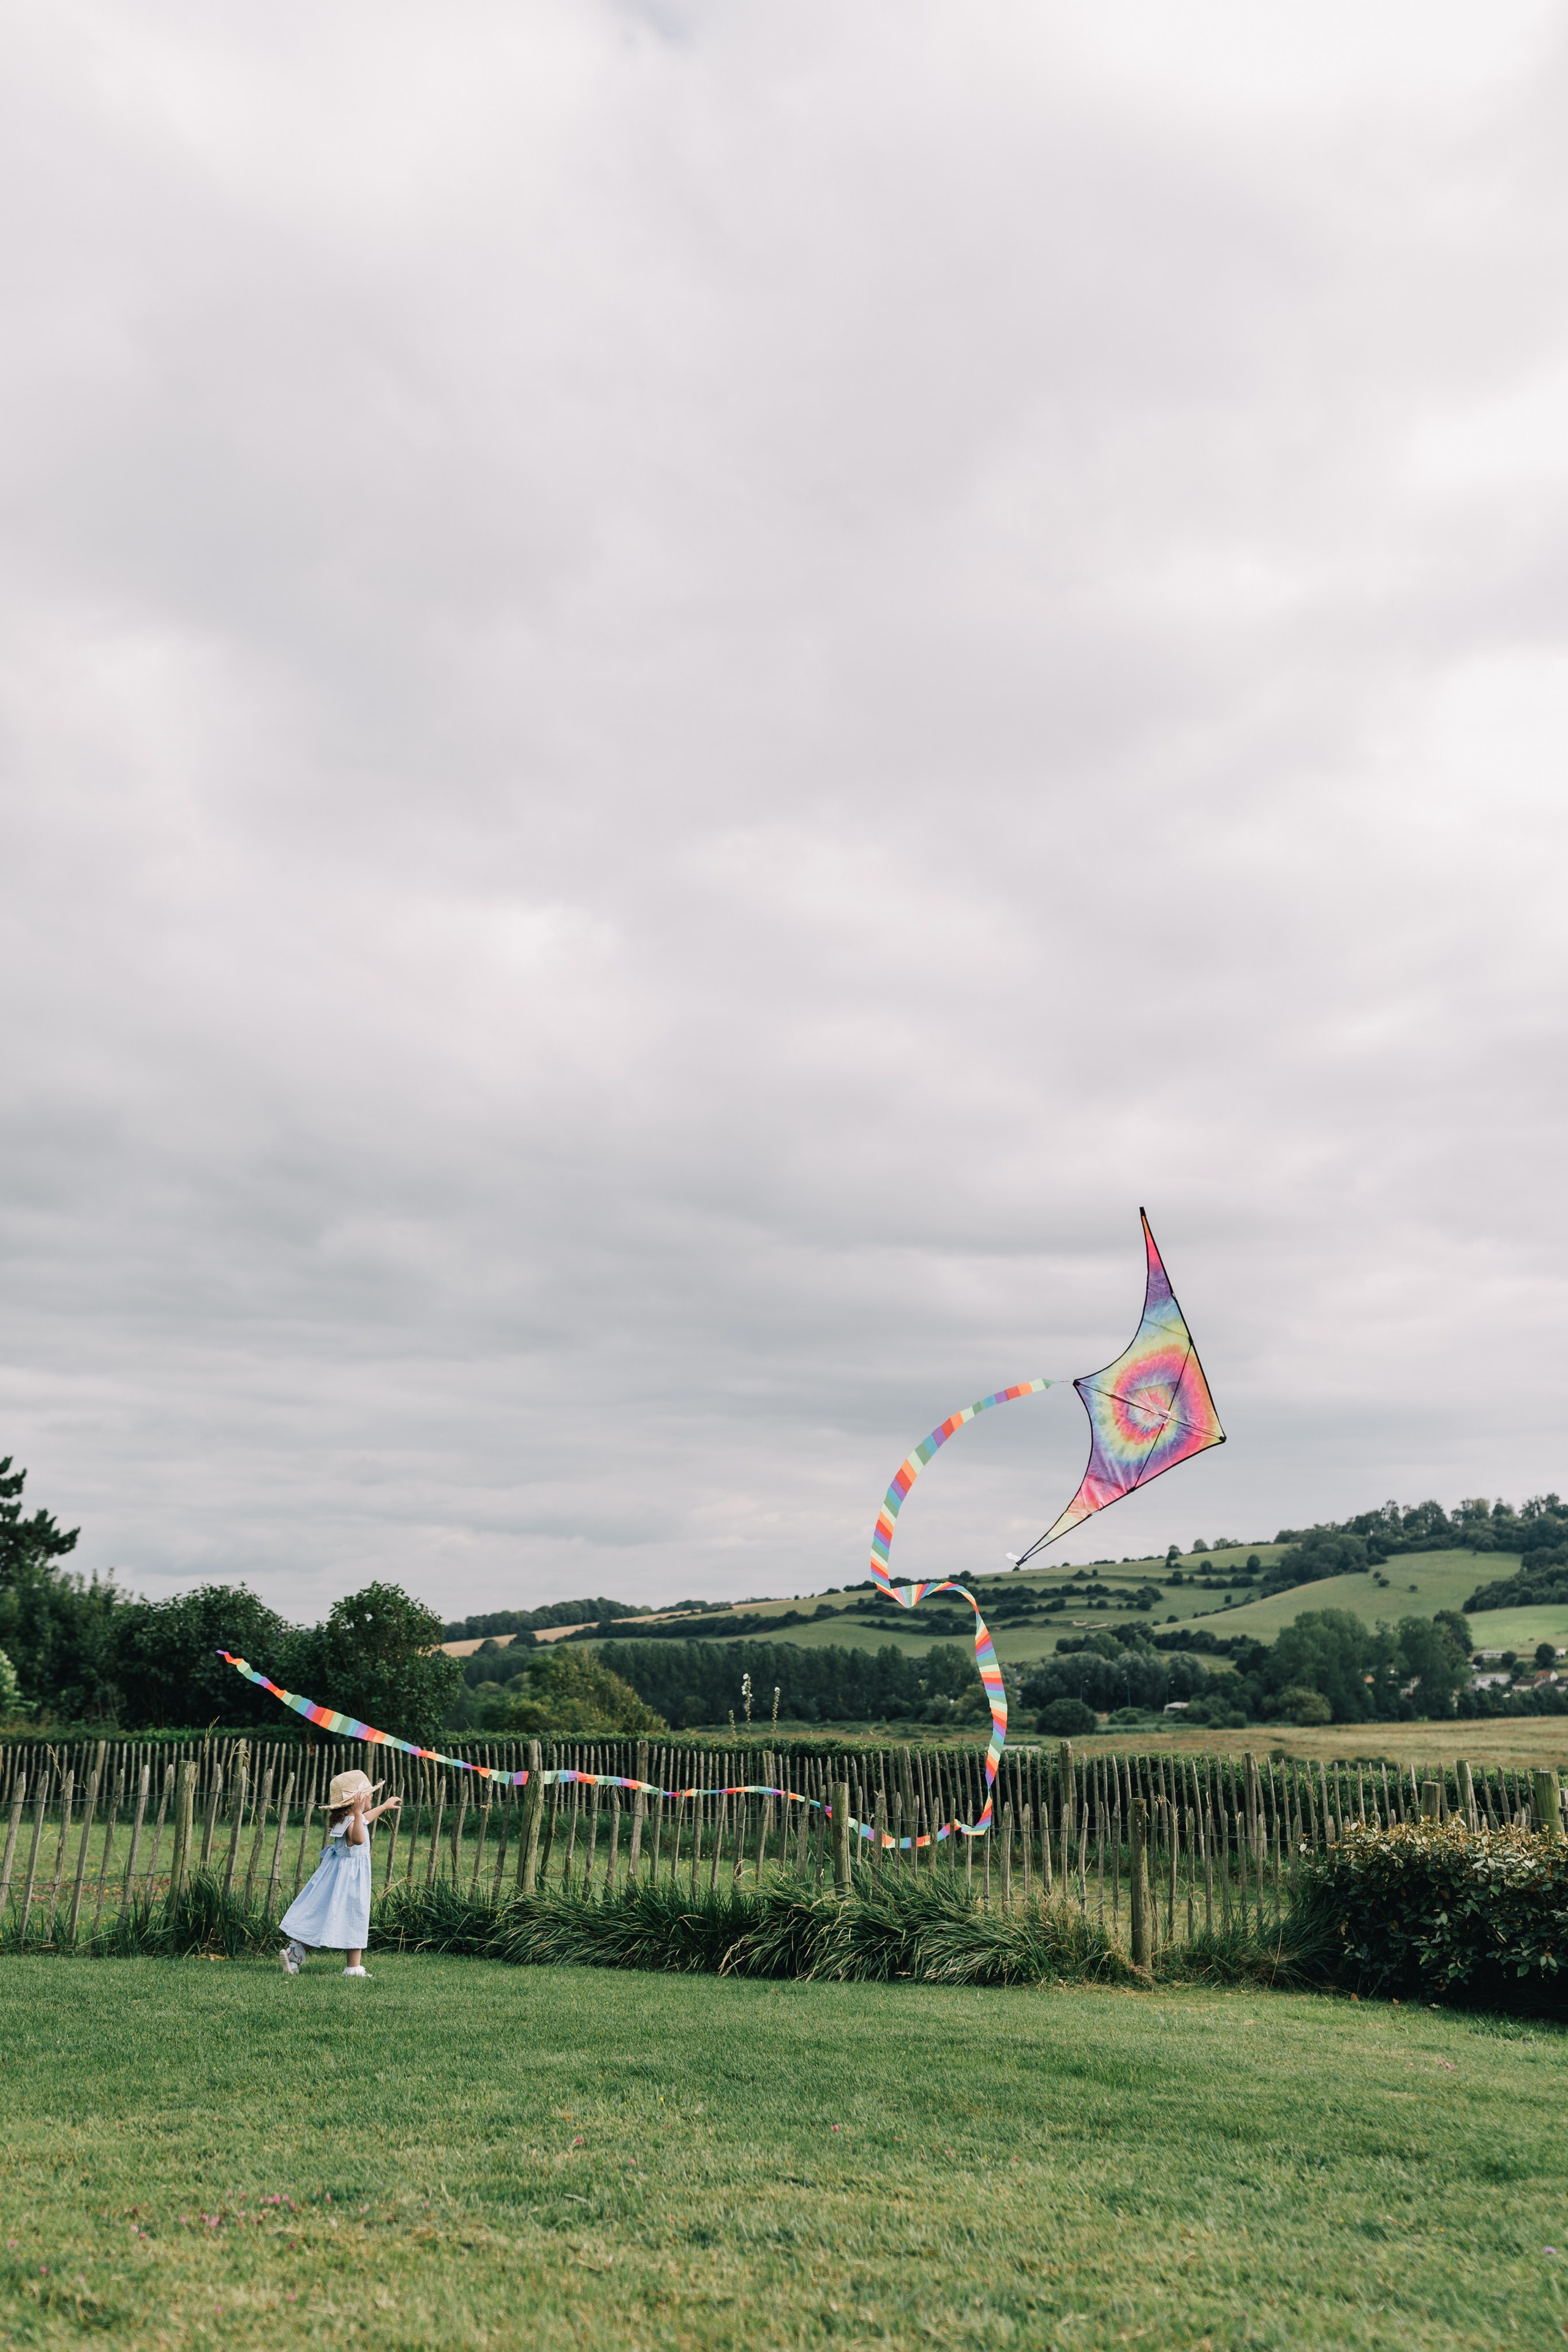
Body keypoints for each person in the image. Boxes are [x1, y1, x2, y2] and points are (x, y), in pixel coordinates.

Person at [278, 1768, 401, 1978]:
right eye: (368, 1793)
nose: (372, 1795)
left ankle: (295, 1953)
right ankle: (353, 1969)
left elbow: (365, 1820)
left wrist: (382, 1807)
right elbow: (359, 1839)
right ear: (356, 1800)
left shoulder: (347, 1818)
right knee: (356, 1915)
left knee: (327, 1916)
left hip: (339, 1877)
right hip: (351, 1880)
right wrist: (360, 1811)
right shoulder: (353, 1820)